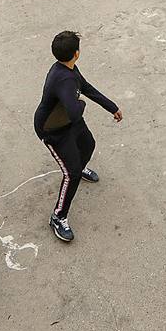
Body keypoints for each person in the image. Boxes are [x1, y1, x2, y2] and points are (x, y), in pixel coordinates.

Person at [33, 30, 122, 243]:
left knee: (88, 145)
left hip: (68, 121)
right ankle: (58, 217)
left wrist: (112, 107)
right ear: (76, 53)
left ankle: (79, 167)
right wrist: (80, 102)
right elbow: (74, 110)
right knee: (70, 173)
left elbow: (86, 88)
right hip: (52, 129)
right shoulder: (63, 79)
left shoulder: (68, 69)